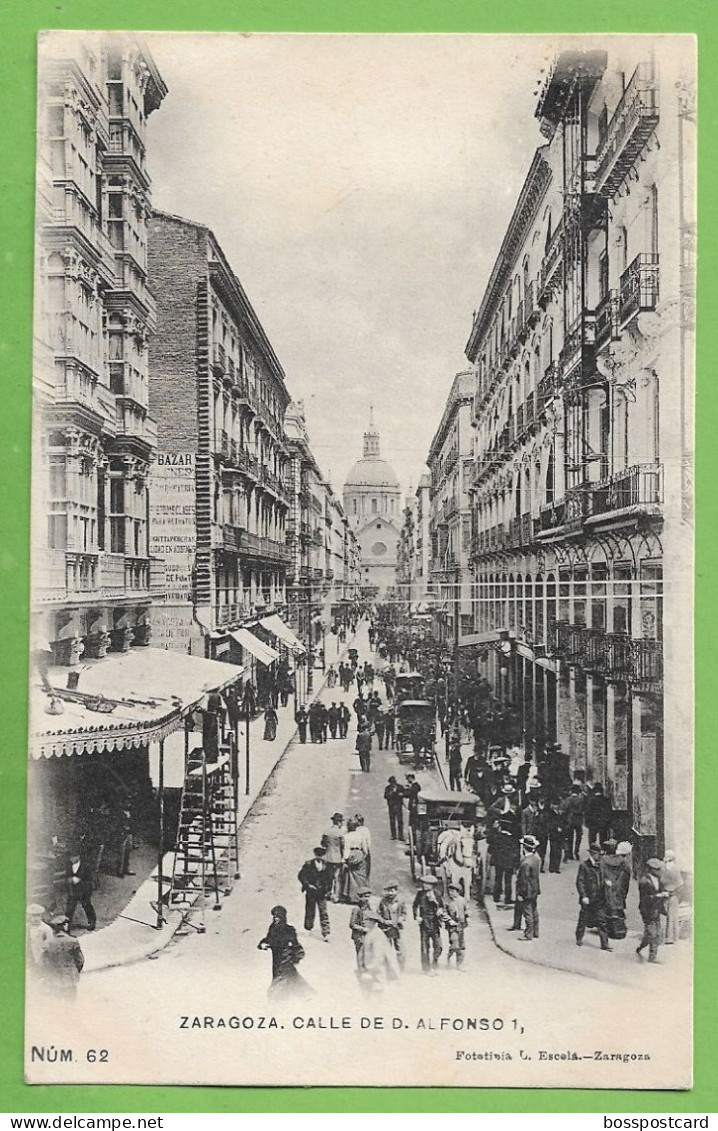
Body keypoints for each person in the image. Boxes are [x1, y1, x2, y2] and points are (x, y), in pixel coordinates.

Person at [258, 905, 312, 998]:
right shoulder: (272, 928)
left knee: (278, 984)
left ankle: (276, 1002)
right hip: (276, 960)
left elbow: (296, 945)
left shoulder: (289, 930)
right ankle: (307, 997)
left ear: (283, 917)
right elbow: (268, 939)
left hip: (285, 960)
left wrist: (297, 955)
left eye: (278, 917)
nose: (275, 919)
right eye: (274, 916)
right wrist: (262, 944)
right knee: (293, 980)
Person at [487, 784, 521, 905]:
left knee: (499, 876)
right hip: (507, 857)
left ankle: (498, 896)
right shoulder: (500, 801)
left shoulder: (498, 836)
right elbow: (492, 809)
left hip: (500, 855)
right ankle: (505, 897)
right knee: (506, 877)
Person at [576, 845, 612, 951]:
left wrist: (606, 882)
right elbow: (580, 882)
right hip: (588, 899)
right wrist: (584, 896)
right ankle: (579, 938)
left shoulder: (601, 865)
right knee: (583, 919)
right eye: (598, 854)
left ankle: (605, 944)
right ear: (592, 854)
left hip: (599, 898)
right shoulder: (584, 866)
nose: (600, 856)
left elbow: (604, 876)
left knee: (602, 921)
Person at [43, 915, 85, 999]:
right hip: (70, 977)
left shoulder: (48, 943)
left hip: (55, 978)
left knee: (57, 1003)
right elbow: (80, 960)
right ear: (64, 926)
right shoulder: (73, 941)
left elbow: (45, 961)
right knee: (71, 1002)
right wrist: (75, 971)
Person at [636, 858, 669, 963]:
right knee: (652, 934)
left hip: (656, 910)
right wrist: (658, 896)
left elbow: (662, 890)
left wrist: (665, 894)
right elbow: (645, 898)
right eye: (657, 869)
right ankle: (651, 956)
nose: (659, 871)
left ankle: (643, 949)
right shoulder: (644, 881)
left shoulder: (658, 880)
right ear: (651, 869)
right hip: (647, 910)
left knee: (655, 934)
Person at [510, 835, 541, 941]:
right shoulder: (536, 858)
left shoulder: (525, 863)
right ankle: (535, 931)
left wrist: (520, 894)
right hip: (534, 889)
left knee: (527, 912)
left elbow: (523, 880)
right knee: (534, 910)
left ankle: (528, 934)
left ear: (524, 847)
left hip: (526, 890)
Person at [413, 875, 445, 975]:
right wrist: (416, 916)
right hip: (424, 923)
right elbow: (415, 906)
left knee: (438, 946)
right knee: (424, 946)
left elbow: (442, 907)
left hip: (435, 923)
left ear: (432, 885)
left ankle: (434, 964)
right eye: (424, 883)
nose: (424, 885)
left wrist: (435, 903)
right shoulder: (420, 894)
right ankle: (427, 968)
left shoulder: (437, 894)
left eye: (427, 884)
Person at [360, 911, 401, 990]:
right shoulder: (371, 932)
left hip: (377, 972)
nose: (363, 922)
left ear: (372, 921)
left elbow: (378, 956)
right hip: (371, 970)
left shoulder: (377, 934)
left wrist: (370, 971)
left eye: (366, 920)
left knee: (376, 993)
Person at [298, 847, 332, 940]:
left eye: (321, 855)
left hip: (322, 892)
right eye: (318, 855)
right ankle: (308, 928)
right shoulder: (308, 864)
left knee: (323, 912)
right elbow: (301, 875)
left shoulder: (326, 866)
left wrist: (328, 890)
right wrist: (308, 885)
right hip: (311, 892)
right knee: (310, 910)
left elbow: (330, 879)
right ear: (315, 855)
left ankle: (326, 933)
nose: (319, 857)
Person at [600, 837, 631, 941]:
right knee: (618, 908)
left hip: (607, 888)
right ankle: (618, 930)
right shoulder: (623, 861)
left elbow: (600, 874)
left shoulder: (603, 860)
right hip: (618, 889)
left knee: (607, 907)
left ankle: (609, 929)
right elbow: (626, 877)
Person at [65, 850, 97, 932]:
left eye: (73, 857)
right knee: (70, 906)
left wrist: (80, 880)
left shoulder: (86, 865)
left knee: (86, 905)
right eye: (70, 858)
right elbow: (67, 875)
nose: (71, 859)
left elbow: (90, 879)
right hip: (73, 889)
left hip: (84, 889)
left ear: (78, 857)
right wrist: (70, 879)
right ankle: (67, 924)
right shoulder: (68, 864)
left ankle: (92, 922)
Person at [377, 881, 406, 969]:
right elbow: (377, 915)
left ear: (396, 891)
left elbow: (404, 913)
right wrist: (384, 921)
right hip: (386, 929)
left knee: (400, 950)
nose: (390, 893)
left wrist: (401, 918)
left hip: (397, 929)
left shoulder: (400, 901)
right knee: (386, 949)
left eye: (392, 891)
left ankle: (400, 968)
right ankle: (388, 968)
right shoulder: (383, 901)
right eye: (388, 891)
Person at [341, 819, 370, 903]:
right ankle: (362, 894)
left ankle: (352, 896)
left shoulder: (346, 836)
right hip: (359, 853)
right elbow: (365, 848)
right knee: (361, 875)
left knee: (351, 875)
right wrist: (363, 855)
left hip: (351, 854)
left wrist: (345, 860)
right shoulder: (361, 835)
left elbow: (346, 849)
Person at [320, 812, 345, 902]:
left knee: (329, 876)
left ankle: (328, 893)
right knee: (337, 877)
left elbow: (323, 843)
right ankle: (336, 896)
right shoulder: (340, 832)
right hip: (338, 857)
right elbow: (343, 845)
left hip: (329, 856)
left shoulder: (327, 831)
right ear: (339, 822)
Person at [660, 850, 684, 945]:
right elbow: (680, 884)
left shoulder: (670, 869)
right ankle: (669, 938)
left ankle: (667, 938)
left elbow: (680, 885)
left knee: (668, 916)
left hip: (669, 894)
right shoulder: (670, 869)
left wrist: (669, 892)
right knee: (669, 916)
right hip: (669, 894)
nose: (667, 862)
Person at [444, 882, 468, 967]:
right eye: (450, 891)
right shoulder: (447, 901)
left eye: (453, 891)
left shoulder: (462, 900)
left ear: (458, 892)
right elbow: (444, 913)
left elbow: (466, 910)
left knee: (461, 945)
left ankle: (459, 964)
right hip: (452, 926)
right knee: (454, 942)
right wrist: (449, 920)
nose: (451, 893)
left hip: (461, 925)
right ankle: (449, 955)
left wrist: (467, 913)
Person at [349, 887, 373, 971]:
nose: (367, 899)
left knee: (367, 954)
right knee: (360, 955)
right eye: (365, 897)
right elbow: (352, 924)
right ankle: (361, 971)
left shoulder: (368, 907)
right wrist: (363, 929)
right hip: (358, 936)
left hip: (367, 936)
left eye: (368, 897)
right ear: (360, 897)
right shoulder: (356, 909)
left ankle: (365, 970)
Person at [26, 904, 53, 979]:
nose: (36, 918)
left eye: (38, 916)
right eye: (33, 916)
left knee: (41, 976)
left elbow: (49, 944)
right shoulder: (26, 927)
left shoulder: (46, 929)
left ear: (41, 916)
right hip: (29, 955)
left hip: (40, 956)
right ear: (29, 916)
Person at [562, 784, 586, 862]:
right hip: (578, 821)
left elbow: (564, 810)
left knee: (569, 837)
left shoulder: (568, 800)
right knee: (578, 837)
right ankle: (576, 851)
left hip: (570, 821)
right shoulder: (581, 800)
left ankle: (570, 853)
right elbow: (583, 810)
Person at [585, 783, 613, 847]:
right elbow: (609, 812)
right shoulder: (606, 800)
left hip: (593, 822)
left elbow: (587, 812)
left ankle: (593, 852)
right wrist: (607, 822)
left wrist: (587, 822)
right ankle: (603, 852)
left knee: (592, 840)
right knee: (603, 839)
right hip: (603, 822)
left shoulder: (590, 800)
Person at [547, 799, 565, 874]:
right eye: (554, 805)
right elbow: (549, 824)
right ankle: (552, 867)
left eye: (557, 805)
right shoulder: (550, 814)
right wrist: (556, 828)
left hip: (560, 835)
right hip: (553, 834)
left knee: (559, 851)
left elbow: (564, 822)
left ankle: (557, 867)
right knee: (553, 850)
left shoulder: (561, 814)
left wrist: (562, 828)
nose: (556, 807)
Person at [384, 776, 405, 841]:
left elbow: (405, 793)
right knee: (392, 821)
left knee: (400, 821)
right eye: (391, 783)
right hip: (391, 806)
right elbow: (385, 796)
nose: (393, 784)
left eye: (394, 783)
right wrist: (392, 792)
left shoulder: (400, 787)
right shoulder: (388, 788)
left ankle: (401, 836)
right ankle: (393, 835)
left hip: (398, 806)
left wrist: (401, 794)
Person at [354, 814, 372, 880]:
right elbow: (369, 843)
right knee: (366, 870)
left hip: (358, 851)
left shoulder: (355, 829)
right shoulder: (366, 830)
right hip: (365, 851)